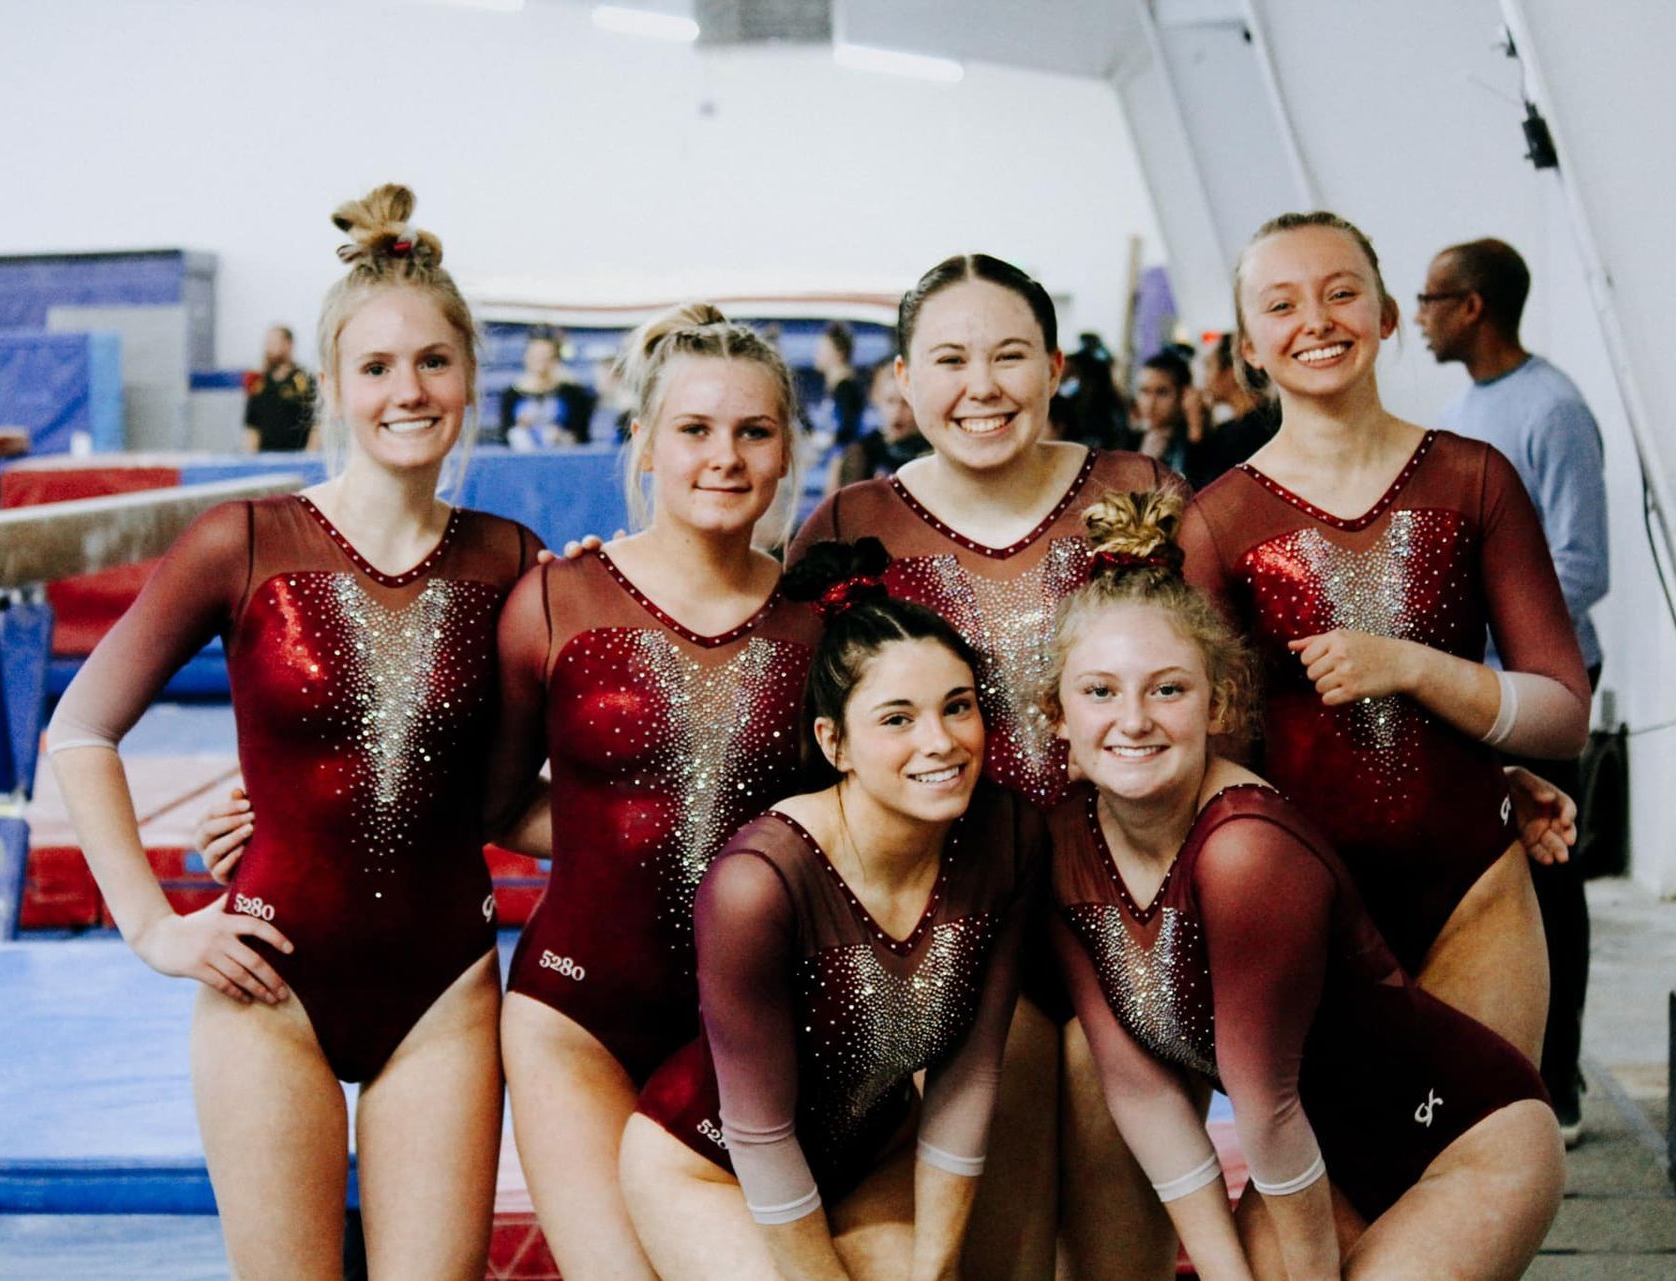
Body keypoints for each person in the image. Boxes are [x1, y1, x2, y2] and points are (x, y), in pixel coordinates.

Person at [48, 184, 538, 1278]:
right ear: (332, 388)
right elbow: (80, 731)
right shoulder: (247, 541)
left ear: (469, 376)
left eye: (433, 362)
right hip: (267, 982)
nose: (407, 390)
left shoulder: (512, 563)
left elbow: (517, 791)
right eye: (375, 368)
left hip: (444, 990)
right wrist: (153, 929)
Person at [1048, 488, 1564, 1280]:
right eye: (1100, 691)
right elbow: (1144, 1093)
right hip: (1330, 1153)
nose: (1135, 718)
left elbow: (1269, 1107)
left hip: (1466, 1138)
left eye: (1169, 688)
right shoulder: (1066, 847)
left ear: (1217, 700)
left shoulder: (1244, 849)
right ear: (1058, 715)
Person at [791, 253, 1182, 1280]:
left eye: (1009, 356)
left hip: (1130, 913)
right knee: (993, 1250)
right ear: (905, 380)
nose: (982, 387)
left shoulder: (1138, 493)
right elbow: (786, 729)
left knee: (1120, 1248)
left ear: (1053, 367)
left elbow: (1234, 689)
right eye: (951, 360)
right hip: (964, 930)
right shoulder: (850, 525)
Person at [1179, 211, 1592, 1066]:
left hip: (1475, 882)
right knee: (1347, 1187)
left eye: (1341, 293)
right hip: (1307, 896)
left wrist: (1413, 670)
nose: (1318, 321)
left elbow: (1563, 712)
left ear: (1388, 314)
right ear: (1249, 347)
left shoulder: (1474, 476)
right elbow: (1209, 756)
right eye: (1282, 305)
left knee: (1493, 1150)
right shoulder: (1217, 521)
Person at [488, 303, 821, 1279]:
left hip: (757, 1021)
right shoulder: (556, 601)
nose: (724, 456)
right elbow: (487, 800)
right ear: (643, 445)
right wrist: (609, 835)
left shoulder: (821, 620)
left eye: (753, 431)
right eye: (695, 430)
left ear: (787, 449)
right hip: (578, 1016)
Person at [623, 538, 1040, 1281]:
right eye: (897, 719)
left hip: (871, 1157)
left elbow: (967, 1079)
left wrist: (936, 1270)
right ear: (834, 741)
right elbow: (760, 1132)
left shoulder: (1004, 837)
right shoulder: (760, 881)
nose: (940, 741)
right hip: (714, 1162)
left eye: (958, 706)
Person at [1418, 236, 1610, 1144]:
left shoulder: (1554, 409)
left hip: (1537, 675)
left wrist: (1488, 632)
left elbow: (1581, 562)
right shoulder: (1464, 407)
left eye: (1429, 298)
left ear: (1473, 306)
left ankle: (1558, 1083)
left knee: (1550, 877)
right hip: (1475, 677)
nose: (1414, 317)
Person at [1190, 332, 1280, 489]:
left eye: (1209, 366)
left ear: (1232, 371)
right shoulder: (1230, 428)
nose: (1206, 379)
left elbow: (1205, 489)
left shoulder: (1253, 432)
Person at [829, 360, 929, 492]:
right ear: (877, 399)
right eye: (890, 401)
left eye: (905, 403)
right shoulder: (860, 453)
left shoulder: (932, 452)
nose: (897, 412)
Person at [497, 325, 598, 448]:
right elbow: (505, 436)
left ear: (556, 359)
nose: (541, 363)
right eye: (535, 357)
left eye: (546, 357)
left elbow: (582, 436)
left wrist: (562, 436)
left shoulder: (572, 394)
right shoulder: (511, 395)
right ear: (526, 357)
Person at [1130, 346, 1206, 475]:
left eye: (1162, 392)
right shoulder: (1130, 439)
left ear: (1183, 394)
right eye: (1144, 391)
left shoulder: (1197, 442)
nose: (1150, 403)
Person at [241, 324, 317, 452]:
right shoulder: (259, 382)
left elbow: (315, 423)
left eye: (274, 343)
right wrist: (250, 458)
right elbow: (252, 425)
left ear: (288, 344)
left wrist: (310, 456)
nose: (269, 348)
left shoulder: (303, 380)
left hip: (297, 456)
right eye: (267, 343)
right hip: (265, 458)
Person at [814, 321, 868, 448]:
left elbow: (848, 429)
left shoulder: (846, 388)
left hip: (843, 458)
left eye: (822, 349)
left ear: (839, 352)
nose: (816, 354)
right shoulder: (836, 388)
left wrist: (827, 441)